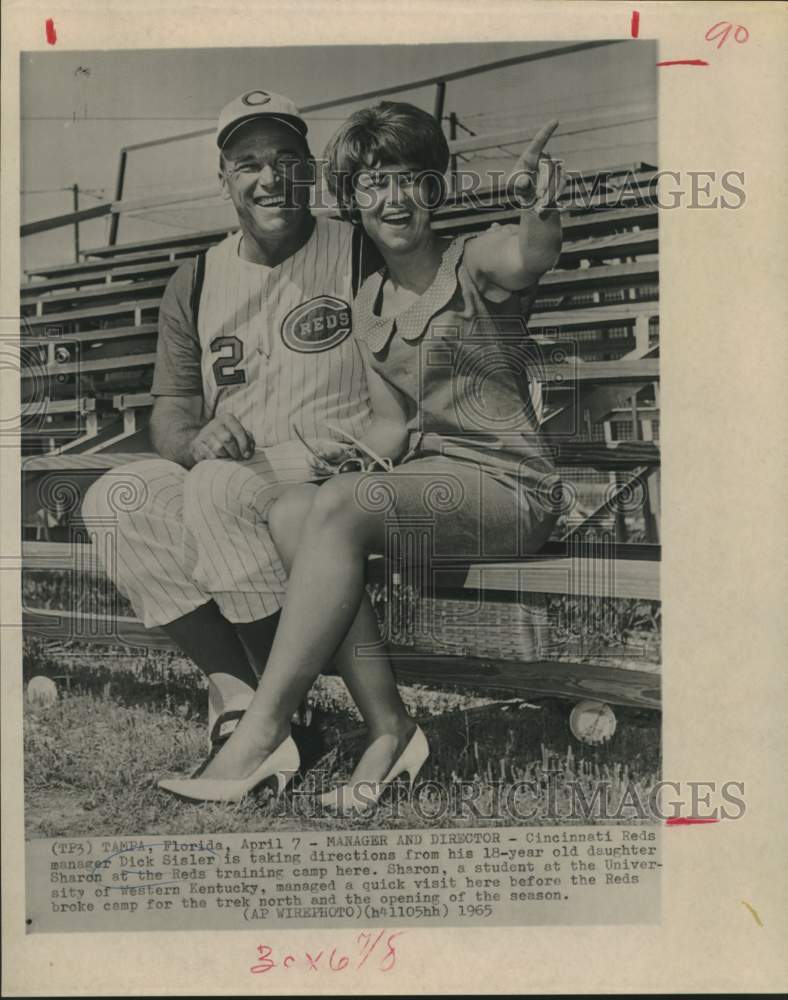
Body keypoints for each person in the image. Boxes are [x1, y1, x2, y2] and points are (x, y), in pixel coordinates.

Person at [157, 101, 565, 808]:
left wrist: (537, 211)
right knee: (294, 511)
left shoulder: (474, 259)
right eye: (374, 184)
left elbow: (530, 253)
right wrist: (336, 468)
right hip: (431, 486)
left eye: (410, 179)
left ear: (436, 188)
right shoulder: (369, 299)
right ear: (353, 199)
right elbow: (387, 425)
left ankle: (261, 730)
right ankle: (389, 727)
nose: (393, 198)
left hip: (509, 487)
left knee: (337, 508)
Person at [82, 89, 389, 771]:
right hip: (244, 474)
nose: (268, 178)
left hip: (339, 473)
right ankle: (235, 691)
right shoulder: (194, 279)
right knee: (117, 497)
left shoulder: (364, 250)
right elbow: (171, 412)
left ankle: (280, 714)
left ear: (309, 169)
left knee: (217, 489)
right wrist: (193, 440)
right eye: (247, 162)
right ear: (224, 179)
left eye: (285, 159)